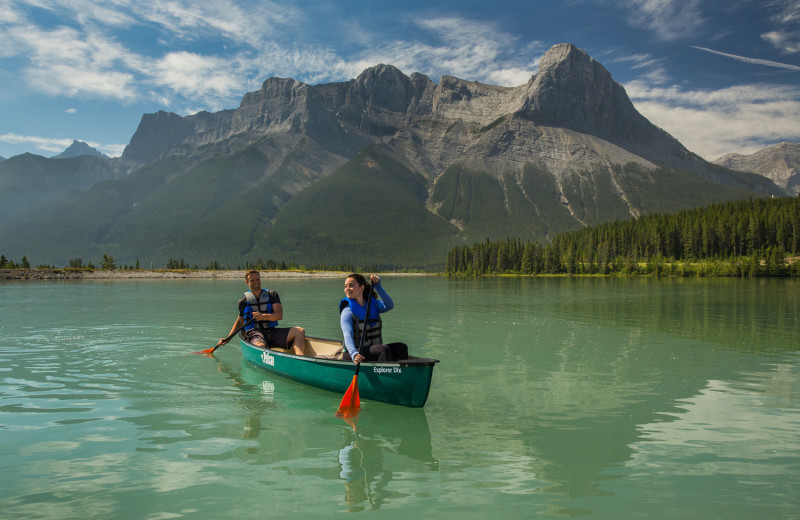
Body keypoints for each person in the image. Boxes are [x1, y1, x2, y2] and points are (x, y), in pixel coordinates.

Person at [217, 270, 306, 355]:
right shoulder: (243, 302)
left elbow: (279, 315)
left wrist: (263, 316)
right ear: (247, 282)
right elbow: (240, 321)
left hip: (271, 332)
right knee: (261, 346)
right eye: (252, 280)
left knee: (299, 331)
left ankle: (301, 359)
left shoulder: (272, 295)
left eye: (258, 279)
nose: (256, 282)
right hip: (254, 333)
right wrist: (228, 338)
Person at [339, 273, 407, 363]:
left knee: (401, 347)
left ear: (361, 288)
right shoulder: (347, 311)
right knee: (383, 349)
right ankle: (385, 374)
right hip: (354, 354)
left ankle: (402, 372)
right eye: (345, 286)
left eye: (350, 285)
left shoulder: (373, 305)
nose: (346, 289)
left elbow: (389, 305)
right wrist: (354, 353)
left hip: (373, 351)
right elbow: (347, 335)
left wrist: (378, 286)